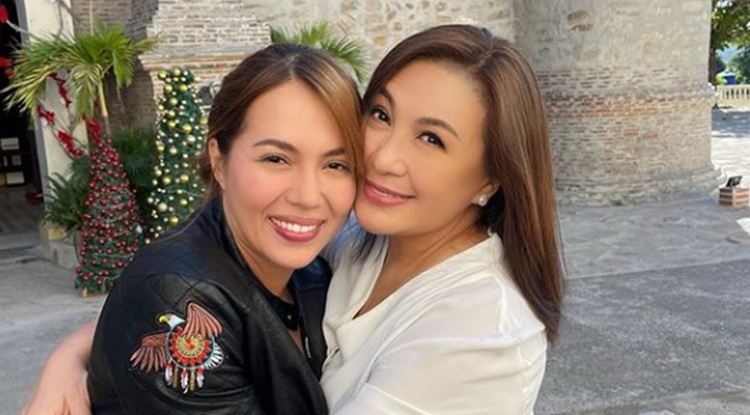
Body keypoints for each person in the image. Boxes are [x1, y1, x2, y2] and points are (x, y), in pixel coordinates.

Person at [21, 24, 564, 415]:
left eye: (431, 138)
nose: (382, 157)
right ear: (219, 159)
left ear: (492, 177)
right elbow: (183, 298)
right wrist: (72, 356)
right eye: (380, 114)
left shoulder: (480, 331)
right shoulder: (361, 242)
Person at [22, 43, 362, 415]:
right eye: (276, 159)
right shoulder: (178, 292)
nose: (308, 197)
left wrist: (70, 351)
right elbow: (172, 296)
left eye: (336, 165)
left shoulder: (321, 269)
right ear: (219, 161)